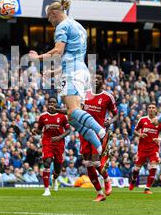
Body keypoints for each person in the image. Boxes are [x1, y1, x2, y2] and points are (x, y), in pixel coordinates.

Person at [29, 0, 107, 156]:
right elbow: (73, 56)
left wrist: (38, 57)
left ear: (55, 13)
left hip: (73, 72)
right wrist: (55, 72)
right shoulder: (79, 26)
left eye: (50, 19)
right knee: (72, 117)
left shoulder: (62, 26)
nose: (50, 22)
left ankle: (102, 132)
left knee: (72, 110)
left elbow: (58, 51)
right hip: (81, 70)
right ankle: (100, 148)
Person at [51, 73, 119, 201]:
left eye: (99, 78)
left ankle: (106, 179)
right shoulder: (84, 94)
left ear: (103, 81)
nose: (96, 80)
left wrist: (110, 121)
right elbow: (73, 111)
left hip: (98, 133)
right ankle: (99, 193)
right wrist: (58, 110)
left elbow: (116, 114)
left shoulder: (107, 97)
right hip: (84, 133)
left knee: (96, 162)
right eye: (94, 78)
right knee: (88, 164)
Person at [32, 96, 71, 196]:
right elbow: (40, 129)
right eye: (50, 102)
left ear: (56, 104)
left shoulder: (62, 116)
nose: (52, 104)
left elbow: (68, 130)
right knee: (47, 163)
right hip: (47, 142)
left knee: (58, 167)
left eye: (54, 102)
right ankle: (46, 190)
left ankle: (54, 179)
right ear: (47, 104)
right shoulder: (43, 116)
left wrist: (59, 137)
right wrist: (35, 131)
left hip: (59, 144)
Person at [129, 103, 161, 194]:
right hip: (142, 149)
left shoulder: (160, 122)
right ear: (147, 109)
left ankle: (147, 188)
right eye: (149, 108)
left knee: (153, 167)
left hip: (153, 149)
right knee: (136, 169)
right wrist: (140, 135)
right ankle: (133, 180)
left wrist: (160, 139)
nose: (151, 109)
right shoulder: (142, 120)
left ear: (156, 110)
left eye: (153, 107)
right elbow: (134, 130)